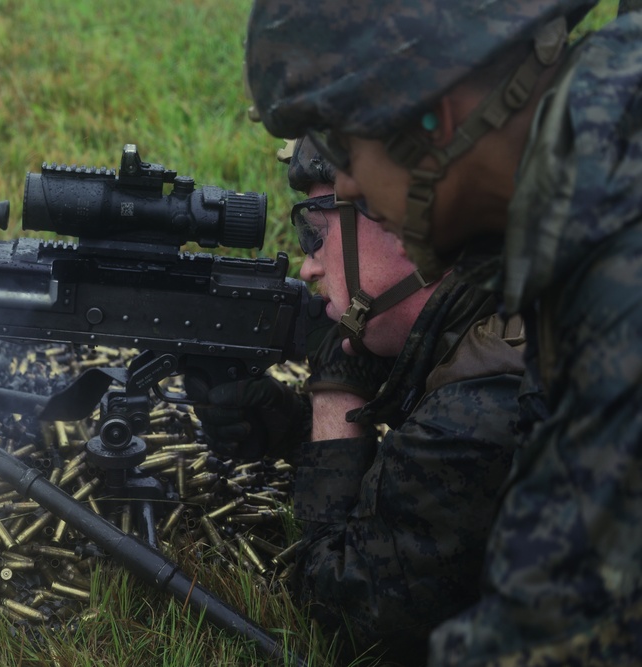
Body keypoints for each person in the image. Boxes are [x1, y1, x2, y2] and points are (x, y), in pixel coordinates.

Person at [244, 1, 642, 665]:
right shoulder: (595, 157)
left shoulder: (612, 275)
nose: (343, 182)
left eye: (344, 146)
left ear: (431, 122)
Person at [195, 142, 525, 664]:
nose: (308, 266)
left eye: (317, 234)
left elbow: (350, 611)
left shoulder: (477, 419)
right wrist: (299, 433)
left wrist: (337, 387)